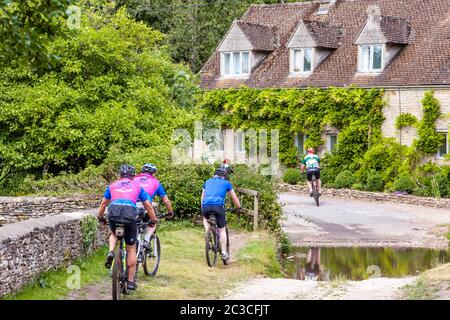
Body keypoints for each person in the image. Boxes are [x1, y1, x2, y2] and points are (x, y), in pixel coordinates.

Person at [97, 164, 157, 291]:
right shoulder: (137, 186)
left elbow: (103, 204)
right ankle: (130, 281)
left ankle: (111, 251)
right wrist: (153, 219)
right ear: (133, 176)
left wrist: (100, 217)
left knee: (113, 232)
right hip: (129, 216)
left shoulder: (112, 186)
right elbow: (148, 206)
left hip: (114, 213)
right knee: (131, 249)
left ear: (120, 175)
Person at [201, 167, 241, 261]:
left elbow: (202, 196)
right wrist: (238, 207)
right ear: (224, 176)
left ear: (214, 175)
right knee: (222, 229)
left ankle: (207, 232)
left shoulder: (207, 181)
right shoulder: (227, 183)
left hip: (206, 206)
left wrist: (202, 207)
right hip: (218, 207)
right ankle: (223, 253)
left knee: (205, 218)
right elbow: (234, 198)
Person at [134, 163, 174, 249]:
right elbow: (166, 200)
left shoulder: (134, 179)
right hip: (145, 206)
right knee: (153, 222)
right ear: (153, 173)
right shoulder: (156, 182)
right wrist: (170, 212)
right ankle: (146, 240)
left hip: (131, 205)